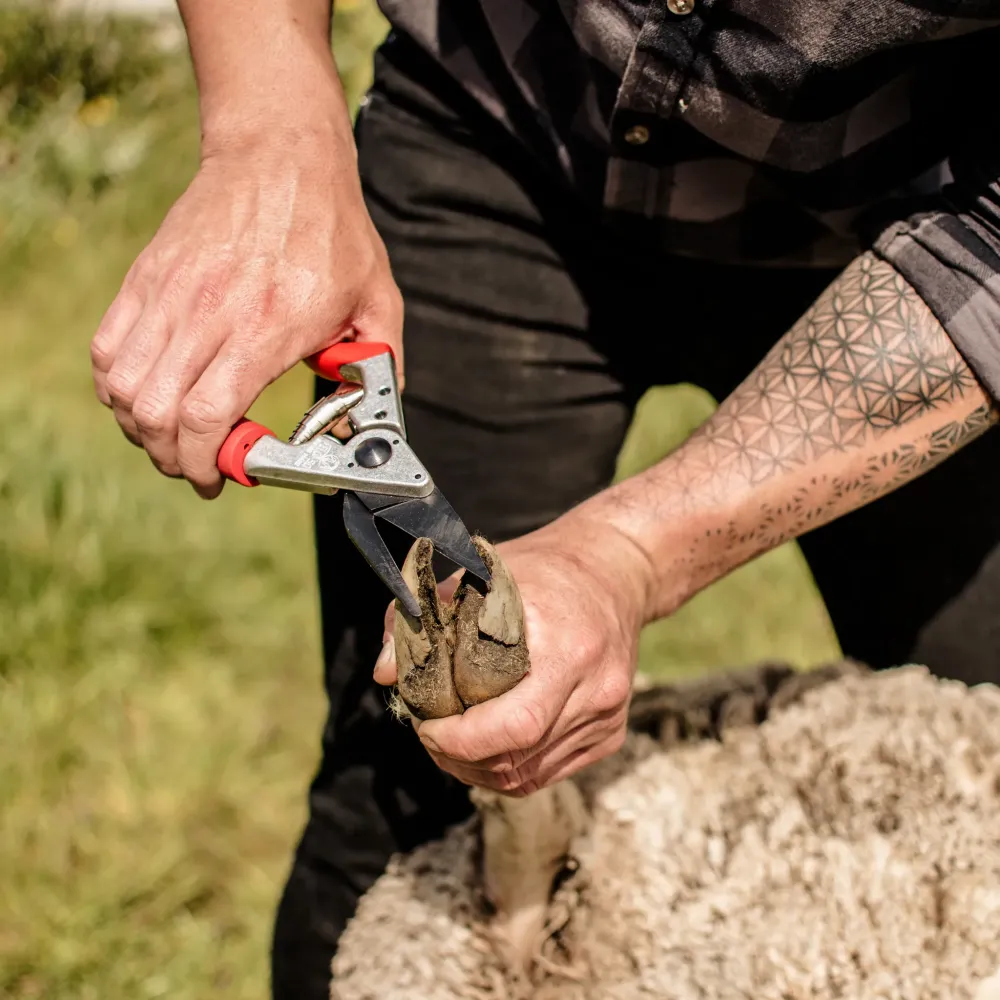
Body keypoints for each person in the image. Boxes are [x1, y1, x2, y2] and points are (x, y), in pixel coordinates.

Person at [89, 1, 1000, 996]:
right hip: (501, 133)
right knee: (411, 790)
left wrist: (631, 554)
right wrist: (271, 129)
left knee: (975, 769)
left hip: (929, 217)